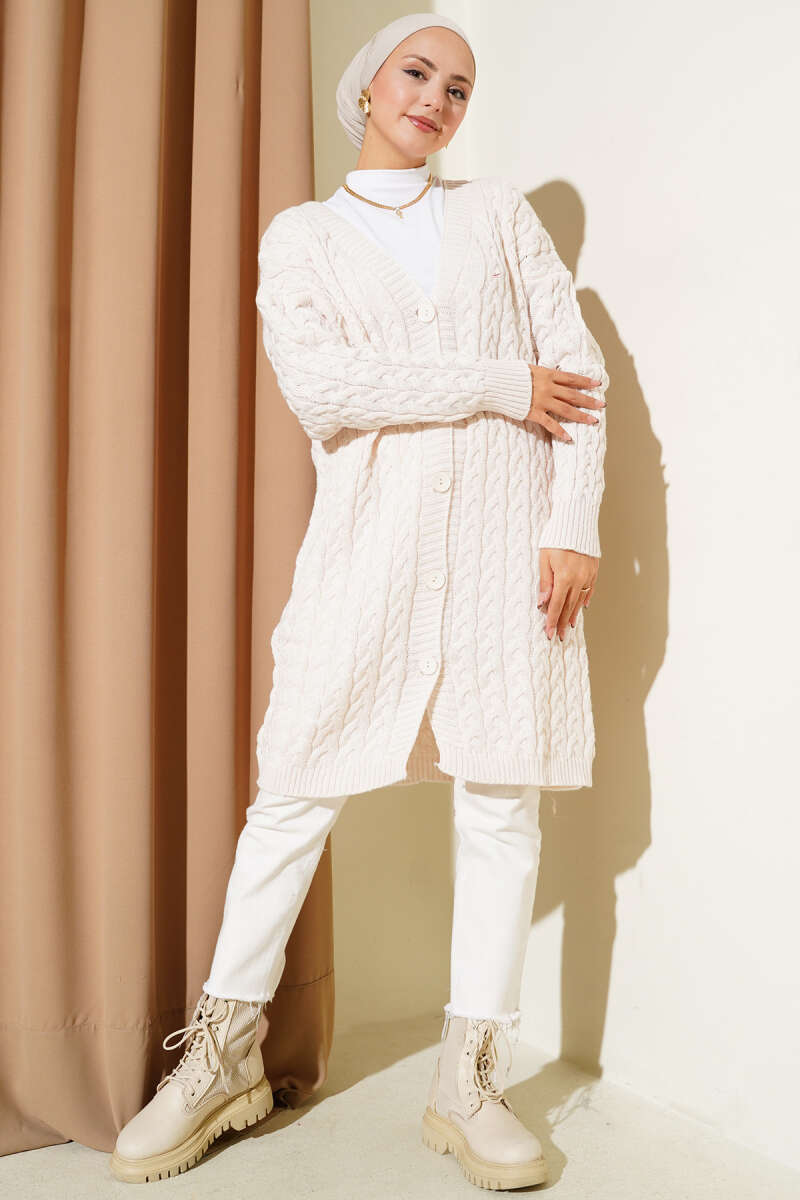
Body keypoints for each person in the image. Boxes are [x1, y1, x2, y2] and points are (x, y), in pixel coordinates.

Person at [110, 11, 609, 1191]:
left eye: (457, 87)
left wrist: (572, 525)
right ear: (367, 88)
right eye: (416, 72)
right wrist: (498, 382)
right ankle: (222, 1054)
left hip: (505, 554)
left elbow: (574, 375)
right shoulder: (303, 238)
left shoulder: (498, 217)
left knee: (500, 799)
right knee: (292, 792)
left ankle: (466, 1081)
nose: (435, 97)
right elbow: (325, 386)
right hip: (366, 554)